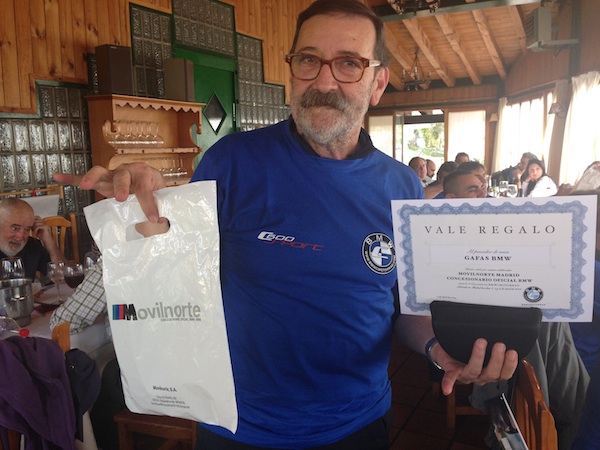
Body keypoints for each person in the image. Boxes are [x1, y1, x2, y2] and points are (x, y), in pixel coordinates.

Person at [55, 1, 517, 448]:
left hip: (357, 423)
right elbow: (171, 270)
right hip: (238, 427)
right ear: (292, 71)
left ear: (378, 83)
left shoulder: (402, 185)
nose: (324, 81)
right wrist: (144, 204)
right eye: (308, 60)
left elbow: (403, 306)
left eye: (349, 63)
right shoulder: (231, 162)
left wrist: (439, 348)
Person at [0, 198, 66, 279]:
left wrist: (49, 242)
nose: (20, 237)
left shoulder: (32, 245)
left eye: (27, 230)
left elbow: (63, 277)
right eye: (15, 228)